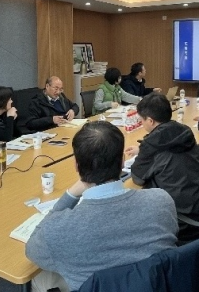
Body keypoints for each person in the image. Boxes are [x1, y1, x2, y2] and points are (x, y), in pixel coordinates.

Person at [26, 121, 178, 292]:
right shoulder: (162, 201)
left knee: (37, 277)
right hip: (155, 285)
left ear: (76, 166)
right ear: (122, 162)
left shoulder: (57, 230)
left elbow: (31, 250)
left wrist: (71, 194)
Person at [125, 93, 199, 241]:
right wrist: (142, 150)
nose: (142, 123)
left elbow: (138, 177)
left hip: (179, 215)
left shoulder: (152, 143)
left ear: (150, 120)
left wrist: (145, 151)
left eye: (142, 120)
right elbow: (168, 152)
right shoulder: (184, 130)